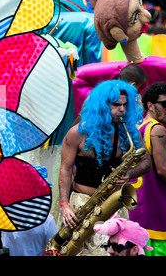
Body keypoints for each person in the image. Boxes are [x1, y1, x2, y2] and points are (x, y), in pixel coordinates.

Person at [59, 79, 152, 256]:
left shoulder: (129, 132)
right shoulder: (78, 132)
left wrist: (129, 173)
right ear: (102, 105)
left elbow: (146, 162)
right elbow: (65, 169)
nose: (122, 110)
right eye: (116, 105)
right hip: (83, 203)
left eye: (125, 105)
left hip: (114, 204)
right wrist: (64, 204)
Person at [129, 82, 166, 256]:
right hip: (158, 212)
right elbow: (163, 170)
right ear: (149, 105)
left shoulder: (137, 128)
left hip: (139, 210)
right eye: (165, 104)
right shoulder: (158, 129)